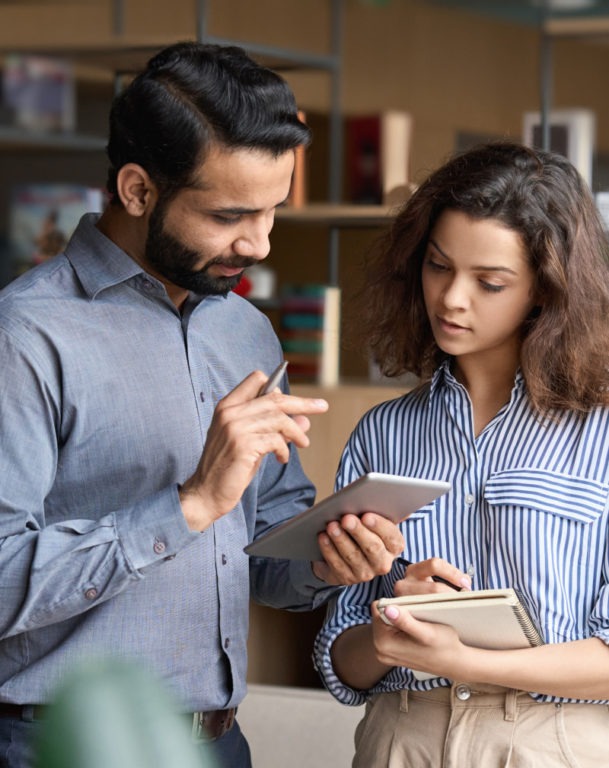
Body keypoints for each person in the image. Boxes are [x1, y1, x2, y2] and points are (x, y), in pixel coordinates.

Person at [0, 42, 405, 768]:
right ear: (136, 190)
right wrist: (187, 504)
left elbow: (264, 560)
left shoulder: (243, 328)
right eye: (229, 215)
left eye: (274, 210)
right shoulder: (26, 336)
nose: (258, 241)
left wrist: (329, 555)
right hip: (60, 745)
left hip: (221, 743)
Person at [313, 141, 609, 767]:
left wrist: (463, 661)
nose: (451, 298)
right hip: (401, 739)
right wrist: (390, 626)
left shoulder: (601, 432)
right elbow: (342, 660)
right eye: (439, 266)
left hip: (552, 743)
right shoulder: (383, 433)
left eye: (490, 282)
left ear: (546, 291)